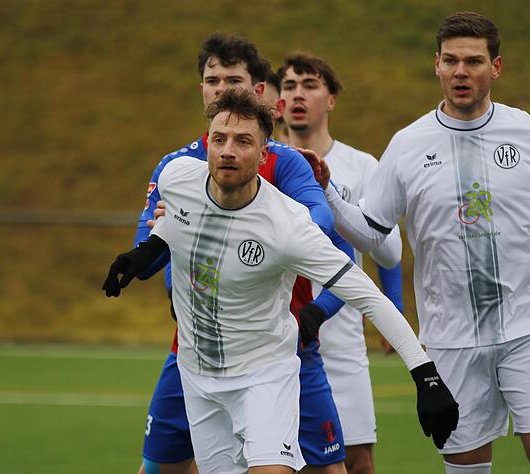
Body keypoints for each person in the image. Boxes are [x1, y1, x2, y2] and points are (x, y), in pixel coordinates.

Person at [303, 11, 530, 474]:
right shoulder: (409, 144)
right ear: (436, 64)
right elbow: (372, 232)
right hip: (450, 337)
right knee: (466, 464)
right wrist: (328, 190)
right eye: (451, 61)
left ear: (496, 67)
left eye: (473, 61)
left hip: (529, 325)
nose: (460, 72)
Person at [104, 87, 459, 474]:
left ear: (263, 153)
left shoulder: (288, 225)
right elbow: (183, 220)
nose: (227, 150)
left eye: (243, 141)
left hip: (265, 377)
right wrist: (149, 249)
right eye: (219, 139)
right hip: (198, 378)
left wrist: (426, 375)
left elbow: (367, 296)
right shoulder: (177, 178)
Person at [131, 33, 399, 474]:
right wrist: (164, 264)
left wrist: (281, 244)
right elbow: (149, 247)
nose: (221, 89)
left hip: (283, 344)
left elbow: (340, 241)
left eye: (231, 79)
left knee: (342, 464)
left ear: (258, 92)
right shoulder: (177, 168)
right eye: (211, 80)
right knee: (161, 467)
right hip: (195, 349)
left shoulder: (285, 164)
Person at [279, 52, 405, 474]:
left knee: (356, 459)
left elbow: (384, 245)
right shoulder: (263, 163)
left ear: (331, 99)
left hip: (340, 332)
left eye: (310, 85)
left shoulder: (362, 166)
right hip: (274, 330)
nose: (298, 95)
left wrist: (395, 311)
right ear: (277, 99)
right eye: (290, 86)